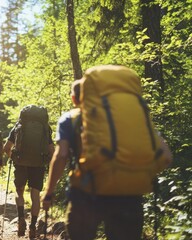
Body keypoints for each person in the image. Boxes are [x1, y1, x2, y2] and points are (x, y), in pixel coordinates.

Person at [41, 67, 173, 239]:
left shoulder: (70, 119)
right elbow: (167, 157)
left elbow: (61, 156)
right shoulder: (134, 118)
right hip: (129, 196)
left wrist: (49, 193)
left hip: (86, 195)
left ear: (75, 99)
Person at [3, 105, 55, 238]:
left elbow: (6, 147)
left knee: (19, 191)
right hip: (38, 164)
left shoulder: (18, 126)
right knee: (35, 195)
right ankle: (33, 226)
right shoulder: (45, 128)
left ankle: (21, 218)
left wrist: (14, 158)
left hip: (21, 163)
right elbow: (52, 150)